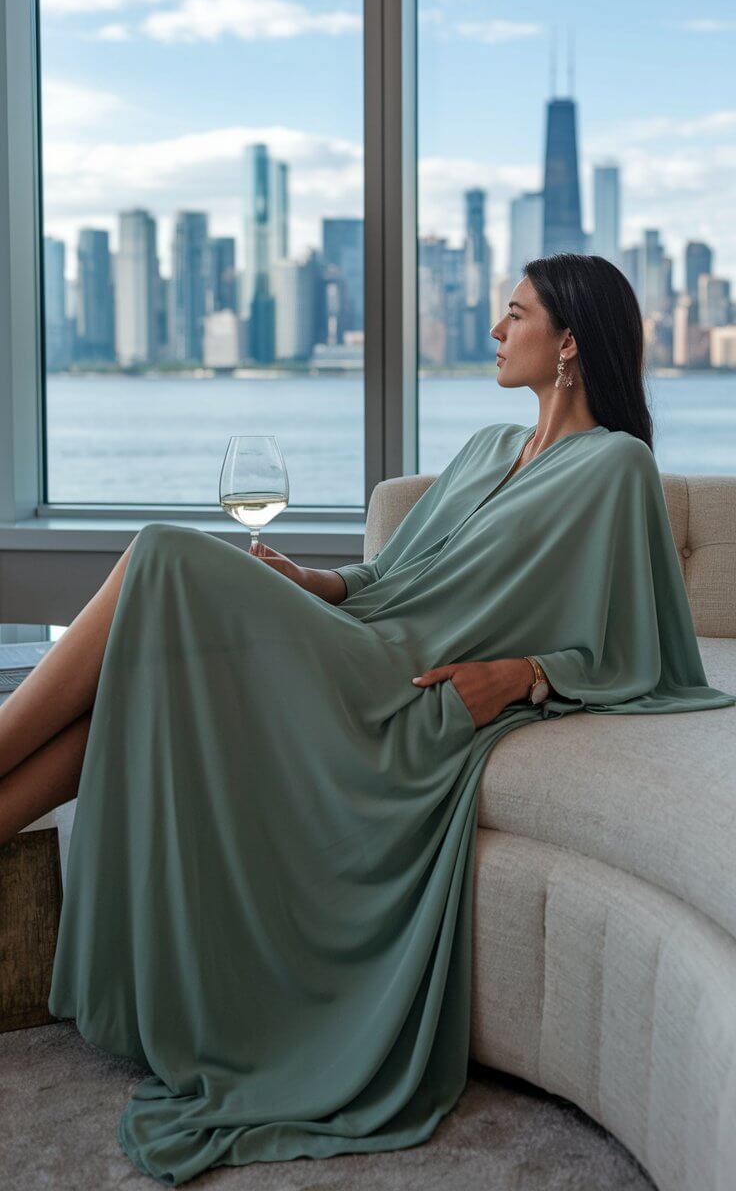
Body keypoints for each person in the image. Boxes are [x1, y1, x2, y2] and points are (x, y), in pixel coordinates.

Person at [2, 253, 733, 1186]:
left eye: (515, 317)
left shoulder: (616, 469)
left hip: (398, 685)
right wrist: (316, 582)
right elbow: (391, 580)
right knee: (140, 680)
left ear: (571, 345)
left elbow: (647, 648)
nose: (498, 333)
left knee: (160, 553)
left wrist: (523, 677)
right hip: (358, 636)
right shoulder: (480, 452)